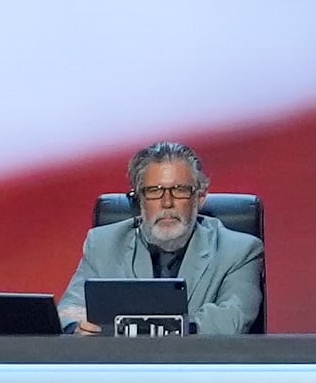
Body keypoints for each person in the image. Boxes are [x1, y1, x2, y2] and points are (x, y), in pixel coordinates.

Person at [61, 140, 266, 335]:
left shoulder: (239, 251)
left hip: (195, 367)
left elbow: (230, 321)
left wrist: (141, 326)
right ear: (139, 199)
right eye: (154, 191)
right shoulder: (103, 244)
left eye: (180, 190)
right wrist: (77, 327)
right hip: (121, 366)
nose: (167, 202)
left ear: (200, 198)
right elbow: (68, 312)